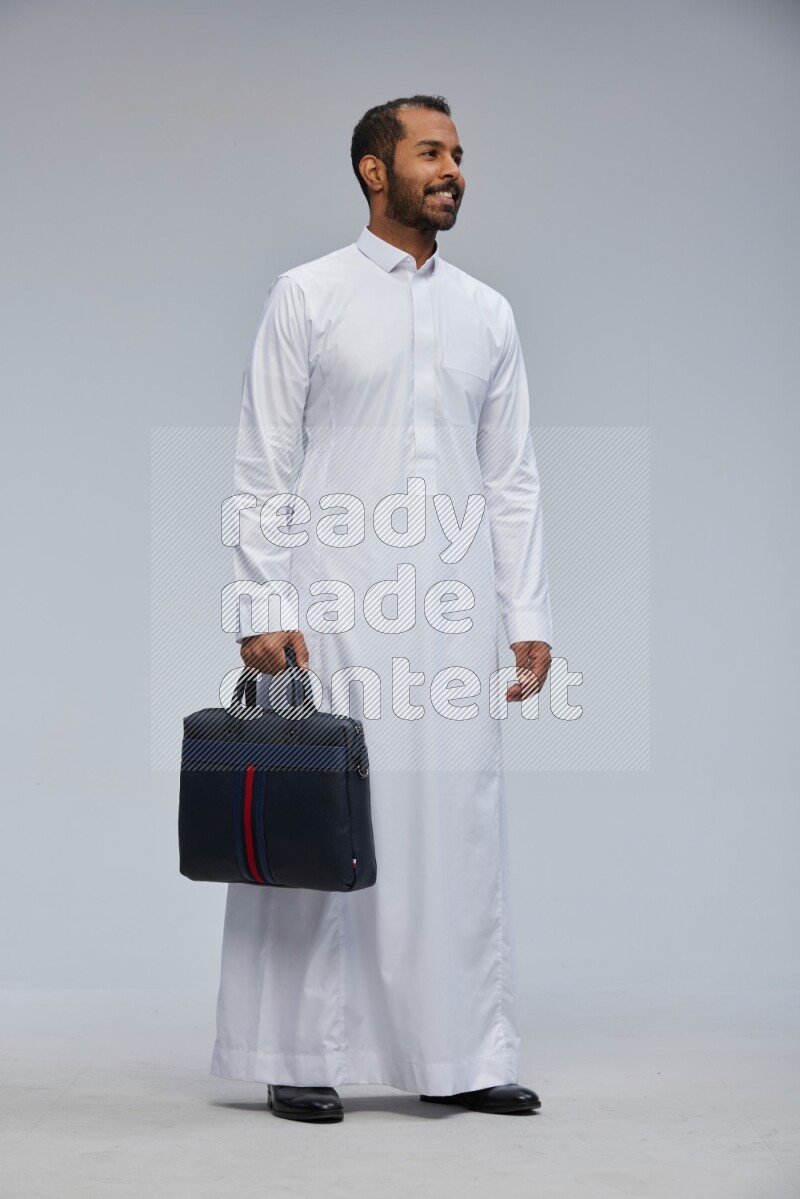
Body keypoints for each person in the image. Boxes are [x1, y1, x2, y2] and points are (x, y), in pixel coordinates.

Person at [211, 94, 554, 1123]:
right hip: (329, 601)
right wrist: (262, 599)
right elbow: (262, 457)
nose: (452, 170)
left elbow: (512, 479)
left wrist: (527, 615)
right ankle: (296, 1050)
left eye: (458, 154)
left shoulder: (487, 313)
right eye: (430, 151)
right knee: (320, 813)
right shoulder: (308, 295)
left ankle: (460, 1051)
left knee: (456, 825)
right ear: (374, 169)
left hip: (450, 613)